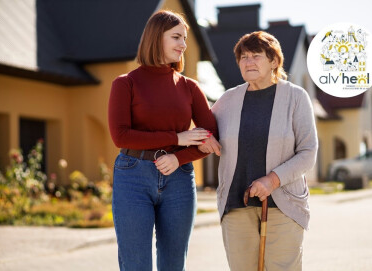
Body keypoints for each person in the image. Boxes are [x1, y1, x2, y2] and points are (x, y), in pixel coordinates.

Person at [108, 10, 218, 271]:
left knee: (173, 264)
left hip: (179, 178)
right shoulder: (125, 84)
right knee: (136, 264)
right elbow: (120, 135)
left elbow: (211, 137)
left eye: (185, 38)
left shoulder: (190, 87)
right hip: (132, 177)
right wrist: (178, 138)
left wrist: (178, 156)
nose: (183, 45)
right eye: (176, 37)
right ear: (157, 38)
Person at [199, 31, 318, 270]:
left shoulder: (296, 97)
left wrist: (272, 180)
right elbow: (204, 130)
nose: (248, 62)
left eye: (256, 56)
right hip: (236, 204)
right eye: (243, 57)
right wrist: (204, 138)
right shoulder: (228, 100)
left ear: (274, 61)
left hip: (283, 204)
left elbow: (308, 151)